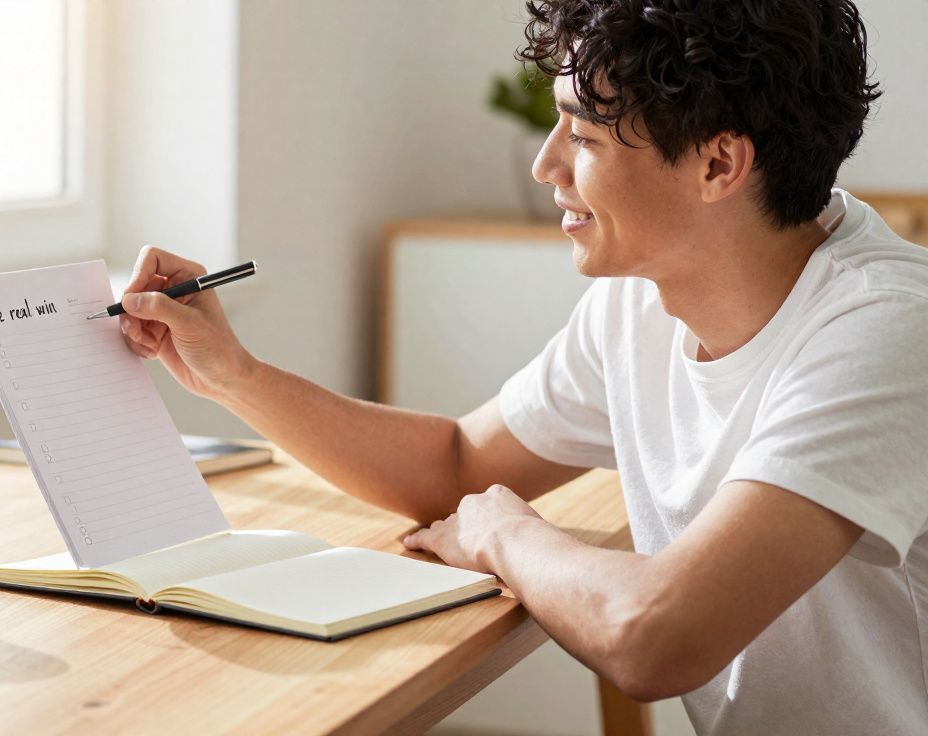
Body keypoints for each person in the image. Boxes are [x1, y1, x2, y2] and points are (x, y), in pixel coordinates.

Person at [115, 1, 928, 733]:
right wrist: (235, 376)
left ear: (719, 165)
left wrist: (507, 533)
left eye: (582, 135)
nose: (546, 165)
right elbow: (456, 463)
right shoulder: (646, 296)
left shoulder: (886, 331)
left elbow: (654, 638)